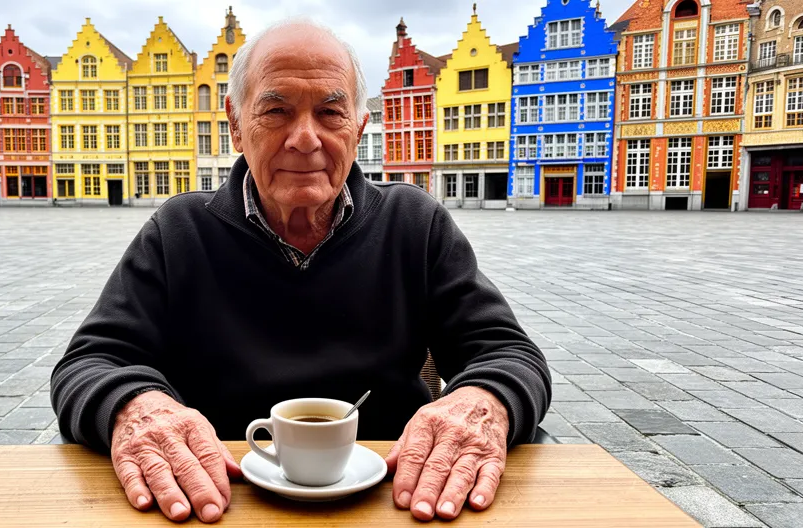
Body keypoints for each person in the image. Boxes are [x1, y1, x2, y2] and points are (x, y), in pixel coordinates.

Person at [51, 18, 551, 523]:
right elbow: (89, 363)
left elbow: (509, 353)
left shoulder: (414, 225)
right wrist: (134, 407)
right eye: (276, 110)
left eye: (330, 112)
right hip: (213, 503)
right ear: (236, 125)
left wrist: (483, 399)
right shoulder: (178, 232)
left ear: (357, 127)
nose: (305, 138)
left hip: (398, 503)